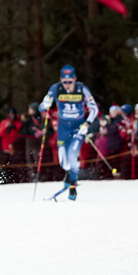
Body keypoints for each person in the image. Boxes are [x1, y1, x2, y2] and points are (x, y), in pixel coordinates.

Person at [38, 65, 99, 201]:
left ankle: (72, 188)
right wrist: (45, 103)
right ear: (61, 80)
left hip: (78, 126)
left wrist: (87, 124)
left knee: (72, 154)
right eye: (64, 82)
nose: (67, 85)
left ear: (75, 79)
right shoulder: (56, 88)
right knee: (63, 161)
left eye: (70, 81)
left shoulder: (82, 89)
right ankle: (68, 174)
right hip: (63, 127)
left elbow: (94, 109)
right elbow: (41, 107)